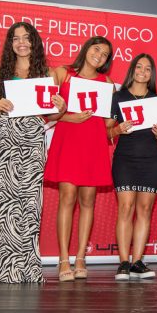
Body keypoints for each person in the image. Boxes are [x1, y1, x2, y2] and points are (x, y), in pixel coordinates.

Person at [0, 22, 62, 284]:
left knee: (30, 202)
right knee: (5, 202)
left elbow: (52, 114)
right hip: (5, 136)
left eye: (26, 38)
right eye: (15, 38)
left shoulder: (48, 73)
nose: (21, 42)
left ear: (35, 42)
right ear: (10, 44)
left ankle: (29, 265)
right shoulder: (1, 72)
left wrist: (61, 107)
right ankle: (8, 266)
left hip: (32, 135)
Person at [45, 36, 115, 281]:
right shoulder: (63, 73)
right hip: (68, 141)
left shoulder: (106, 83)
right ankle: (63, 259)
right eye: (96, 49)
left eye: (105, 54)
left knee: (88, 202)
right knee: (67, 198)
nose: (99, 55)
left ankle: (81, 257)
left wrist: (119, 119)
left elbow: (107, 124)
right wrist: (66, 117)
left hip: (93, 144)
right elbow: (44, 110)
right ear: (86, 49)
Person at [108, 54, 157, 281]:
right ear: (132, 70)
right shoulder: (118, 96)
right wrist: (118, 130)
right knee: (126, 208)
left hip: (151, 160)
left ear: (152, 74)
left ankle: (137, 262)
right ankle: (123, 262)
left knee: (144, 211)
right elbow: (107, 132)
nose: (143, 71)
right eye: (139, 67)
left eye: (148, 69)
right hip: (124, 159)